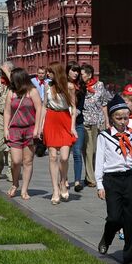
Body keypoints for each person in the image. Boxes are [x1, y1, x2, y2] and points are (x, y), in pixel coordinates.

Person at [96, 95, 132, 264]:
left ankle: (130, 257)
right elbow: (99, 160)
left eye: (126, 118)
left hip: (130, 177)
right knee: (114, 216)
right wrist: (99, 183)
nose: (123, 122)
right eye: (119, 118)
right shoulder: (104, 136)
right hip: (112, 178)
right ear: (111, 118)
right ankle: (107, 236)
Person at [4, 67, 44, 200]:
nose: (12, 82)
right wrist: (6, 129)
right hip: (15, 129)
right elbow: (7, 111)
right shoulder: (11, 92)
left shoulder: (32, 91)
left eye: (13, 79)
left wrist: (37, 128)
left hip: (29, 129)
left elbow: (39, 109)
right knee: (16, 161)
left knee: (28, 161)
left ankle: (24, 189)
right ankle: (15, 183)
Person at [42, 61, 77, 204]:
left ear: (56, 72)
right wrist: (40, 126)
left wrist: (73, 127)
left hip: (65, 120)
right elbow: (44, 106)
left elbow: (73, 108)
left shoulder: (69, 87)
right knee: (52, 156)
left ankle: (63, 181)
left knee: (64, 157)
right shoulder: (47, 86)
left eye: (50, 72)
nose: (47, 74)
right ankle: (55, 190)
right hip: (51, 119)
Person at [81, 64, 109, 190]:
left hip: (98, 122)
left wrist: (107, 121)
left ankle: (97, 175)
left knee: (97, 151)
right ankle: (91, 179)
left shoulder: (100, 85)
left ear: (89, 75)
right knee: (88, 150)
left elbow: (104, 104)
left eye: (82, 74)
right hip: (85, 122)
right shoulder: (80, 87)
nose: (80, 76)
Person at [68, 63, 89, 192]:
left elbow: (81, 104)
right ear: (67, 71)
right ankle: (64, 180)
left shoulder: (81, 86)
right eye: (73, 70)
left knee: (77, 151)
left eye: (77, 71)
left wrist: (77, 112)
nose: (76, 73)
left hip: (78, 122)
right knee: (64, 154)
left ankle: (77, 181)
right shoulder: (63, 85)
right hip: (65, 122)